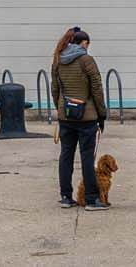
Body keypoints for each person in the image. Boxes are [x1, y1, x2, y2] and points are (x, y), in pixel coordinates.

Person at [51, 28, 109, 211]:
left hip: (66, 116)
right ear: (83, 43)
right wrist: (102, 114)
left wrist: (60, 109)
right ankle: (92, 200)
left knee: (66, 155)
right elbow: (97, 89)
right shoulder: (86, 60)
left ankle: (66, 197)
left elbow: (55, 89)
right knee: (86, 156)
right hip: (87, 116)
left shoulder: (58, 60)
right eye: (87, 43)